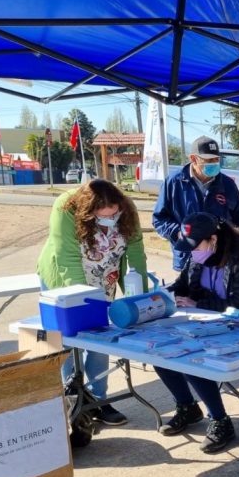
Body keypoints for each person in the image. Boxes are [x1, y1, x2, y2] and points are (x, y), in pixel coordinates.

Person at [154, 212, 239, 453]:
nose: (192, 252)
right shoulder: (198, 258)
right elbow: (181, 286)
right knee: (159, 353)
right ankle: (187, 407)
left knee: (193, 360)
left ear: (213, 239)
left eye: (195, 246)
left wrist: (197, 304)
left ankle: (220, 420)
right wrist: (163, 295)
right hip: (207, 327)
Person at [38, 178, 149, 426]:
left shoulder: (127, 208)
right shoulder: (65, 207)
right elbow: (66, 257)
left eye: (114, 214)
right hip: (66, 281)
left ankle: (99, 400)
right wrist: (81, 301)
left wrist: (140, 297)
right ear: (88, 211)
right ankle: (74, 401)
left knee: (99, 340)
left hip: (103, 278)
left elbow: (136, 252)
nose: (110, 219)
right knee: (68, 341)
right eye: (103, 216)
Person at [152, 135, 239, 272]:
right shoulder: (174, 183)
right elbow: (159, 219)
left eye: (217, 159)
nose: (214, 164)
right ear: (193, 159)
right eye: (209, 160)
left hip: (222, 260)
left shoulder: (227, 184)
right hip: (187, 259)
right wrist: (178, 232)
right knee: (187, 293)